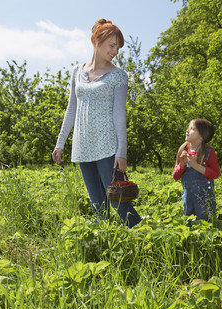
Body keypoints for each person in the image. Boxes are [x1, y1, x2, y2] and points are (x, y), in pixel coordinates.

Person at [52, 19, 141, 228]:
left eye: (118, 48)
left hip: (107, 146)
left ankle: (146, 241)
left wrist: (122, 152)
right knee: (97, 205)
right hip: (83, 146)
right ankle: (105, 247)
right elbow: (71, 109)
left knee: (119, 203)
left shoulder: (118, 75)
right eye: (111, 45)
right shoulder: (77, 71)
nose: (115, 51)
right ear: (96, 41)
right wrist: (60, 143)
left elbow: (120, 114)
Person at [172, 118, 220, 223]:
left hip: (205, 197)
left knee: (206, 221)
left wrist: (195, 165)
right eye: (188, 128)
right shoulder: (183, 150)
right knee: (189, 220)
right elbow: (175, 176)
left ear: (203, 135)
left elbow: (215, 173)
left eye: (192, 128)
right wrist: (182, 165)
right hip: (188, 197)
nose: (187, 130)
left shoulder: (208, 152)